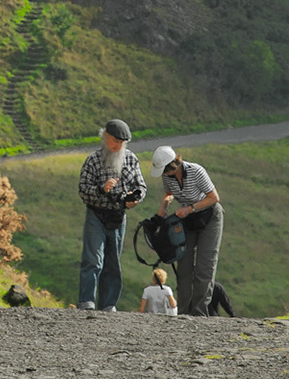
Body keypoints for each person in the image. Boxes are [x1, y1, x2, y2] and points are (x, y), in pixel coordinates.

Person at [76, 119, 145, 310]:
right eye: (115, 141)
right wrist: (101, 189)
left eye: (121, 143)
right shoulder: (93, 160)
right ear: (105, 137)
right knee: (93, 259)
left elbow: (141, 186)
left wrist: (134, 199)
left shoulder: (131, 159)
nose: (117, 145)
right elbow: (82, 189)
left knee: (112, 263)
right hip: (96, 214)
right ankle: (86, 301)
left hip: (118, 216)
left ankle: (108, 305)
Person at [151, 144, 223, 317]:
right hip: (188, 220)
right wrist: (164, 205)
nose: (164, 174)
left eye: (165, 170)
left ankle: (199, 312)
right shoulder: (167, 177)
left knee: (204, 266)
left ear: (173, 165)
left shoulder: (196, 171)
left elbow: (213, 197)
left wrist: (190, 208)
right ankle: (183, 312)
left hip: (209, 216)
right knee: (184, 265)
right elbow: (168, 193)